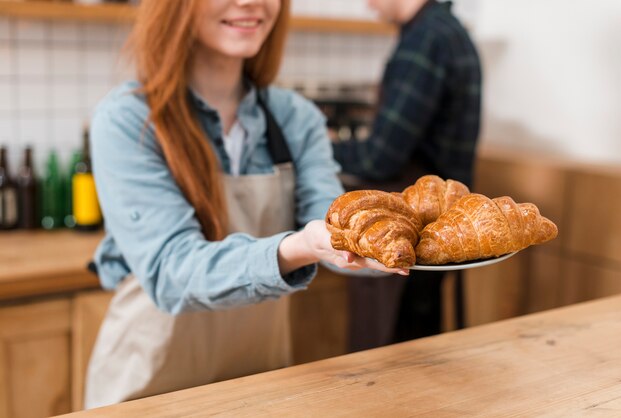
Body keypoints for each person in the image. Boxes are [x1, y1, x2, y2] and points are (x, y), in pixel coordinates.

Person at [84, 0, 407, 409]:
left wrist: (382, 245)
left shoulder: (296, 118)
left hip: (258, 385)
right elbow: (171, 271)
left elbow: (331, 223)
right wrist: (297, 248)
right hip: (149, 389)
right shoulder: (129, 119)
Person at [332, 0, 482, 347]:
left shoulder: (425, 41)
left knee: (391, 354)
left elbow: (378, 158)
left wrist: (314, 147)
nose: (366, 4)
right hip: (441, 225)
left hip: (415, 227)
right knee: (418, 346)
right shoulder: (446, 31)